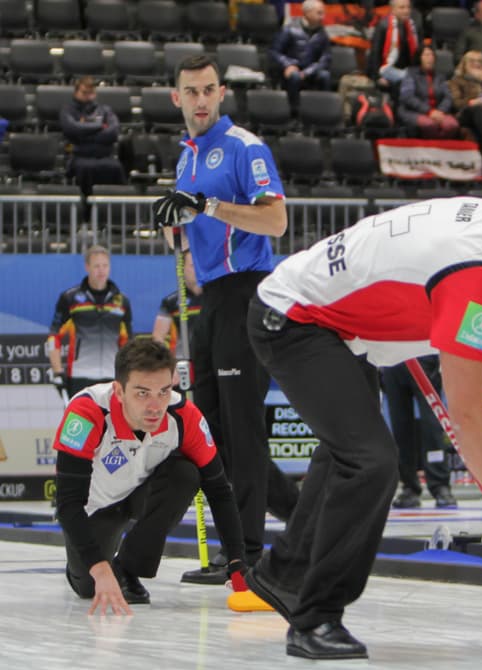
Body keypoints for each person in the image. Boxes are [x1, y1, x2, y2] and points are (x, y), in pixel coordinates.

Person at [243, 185, 482, 660]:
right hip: (296, 318)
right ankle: (316, 618)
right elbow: (466, 410)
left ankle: (286, 573)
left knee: (351, 451)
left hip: (335, 319)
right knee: (371, 462)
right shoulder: (479, 274)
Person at [151, 54, 297, 569]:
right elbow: (192, 226)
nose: (201, 101)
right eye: (191, 92)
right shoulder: (187, 156)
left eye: (209, 90)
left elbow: (276, 221)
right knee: (211, 431)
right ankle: (294, 519)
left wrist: (206, 207)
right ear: (177, 98)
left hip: (248, 293)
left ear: (221, 93)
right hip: (210, 298)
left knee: (241, 428)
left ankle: (248, 555)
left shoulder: (243, 147)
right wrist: (176, 226)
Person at [54, 337, 248, 615]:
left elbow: (219, 490)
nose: (155, 406)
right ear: (119, 391)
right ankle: (102, 565)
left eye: (164, 391)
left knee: (185, 473)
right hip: (94, 509)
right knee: (88, 586)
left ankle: (128, 567)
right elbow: (67, 502)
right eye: (142, 393)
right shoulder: (87, 412)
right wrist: (99, 568)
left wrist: (237, 563)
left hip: (140, 493)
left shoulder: (184, 416)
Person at [48, 245, 132, 400]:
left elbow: (127, 342)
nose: (101, 270)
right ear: (87, 267)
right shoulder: (70, 298)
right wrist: (57, 371)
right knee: (82, 424)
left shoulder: (121, 301)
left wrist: (128, 373)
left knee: (112, 423)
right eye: (96, 266)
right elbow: (54, 337)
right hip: (81, 375)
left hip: (112, 375)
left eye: (105, 265)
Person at [382, 355, 457, 509]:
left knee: (432, 424)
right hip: (390, 358)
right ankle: (409, 486)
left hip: (422, 355)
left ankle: (440, 485)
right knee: (400, 424)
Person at [60, 76, 126, 197]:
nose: (88, 96)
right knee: (84, 168)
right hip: (80, 157)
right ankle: (85, 211)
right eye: (84, 93)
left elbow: (113, 133)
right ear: (76, 92)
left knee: (116, 167)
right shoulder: (68, 110)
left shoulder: (105, 110)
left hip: (104, 156)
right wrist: (99, 126)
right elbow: (72, 130)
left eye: (91, 93)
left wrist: (84, 134)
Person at [269, 0, 332, 112]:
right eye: (319, 13)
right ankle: (294, 112)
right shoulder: (289, 29)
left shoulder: (322, 33)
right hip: (293, 69)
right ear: (307, 13)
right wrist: (288, 65)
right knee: (295, 77)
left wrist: (307, 72)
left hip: (311, 70)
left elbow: (326, 58)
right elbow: (274, 52)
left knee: (325, 76)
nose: (323, 17)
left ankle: (323, 111)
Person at [397, 44, 460, 139]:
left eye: (431, 55)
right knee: (430, 125)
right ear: (419, 58)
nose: (430, 58)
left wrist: (441, 111)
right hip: (414, 111)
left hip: (438, 112)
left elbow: (448, 97)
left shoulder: (440, 76)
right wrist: (429, 111)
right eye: (426, 55)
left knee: (451, 125)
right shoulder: (410, 74)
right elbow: (407, 97)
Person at [448, 50, 482, 150]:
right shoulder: (456, 80)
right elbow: (456, 104)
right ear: (465, 64)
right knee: (477, 108)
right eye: (472, 61)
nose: (476, 64)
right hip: (465, 113)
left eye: (479, 61)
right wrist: (472, 101)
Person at [151, 248, 202, 354]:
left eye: (200, 264)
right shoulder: (171, 302)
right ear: (182, 268)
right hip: (182, 364)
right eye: (193, 265)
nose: (198, 269)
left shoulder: (214, 298)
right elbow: (158, 339)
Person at [366, 0, 420, 92]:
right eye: (402, 8)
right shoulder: (383, 26)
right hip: (385, 70)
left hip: (405, 71)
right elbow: (375, 54)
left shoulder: (412, 27)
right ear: (393, 10)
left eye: (408, 7)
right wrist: (377, 78)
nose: (406, 11)